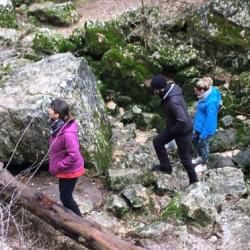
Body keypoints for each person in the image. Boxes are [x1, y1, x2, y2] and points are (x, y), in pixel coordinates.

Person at [150, 75, 198, 185]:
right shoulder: (170, 92)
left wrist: (172, 132)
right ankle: (166, 167)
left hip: (183, 131)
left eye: (155, 90)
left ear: (161, 89)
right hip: (174, 127)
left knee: (185, 159)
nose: (155, 93)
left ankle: (194, 182)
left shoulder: (173, 101)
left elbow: (183, 121)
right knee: (157, 142)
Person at [48, 98, 84, 216]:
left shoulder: (67, 133)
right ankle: (74, 220)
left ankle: (81, 224)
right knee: (64, 195)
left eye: (51, 109)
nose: (48, 110)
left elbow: (74, 155)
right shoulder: (57, 126)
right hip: (65, 170)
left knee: (66, 198)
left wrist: (59, 165)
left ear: (57, 114)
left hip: (70, 170)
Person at [192, 77, 222, 171]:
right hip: (199, 125)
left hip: (205, 129)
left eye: (196, 91)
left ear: (201, 90)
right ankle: (199, 157)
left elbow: (210, 120)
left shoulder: (210, 102)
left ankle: (204, 163)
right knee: (195, 141)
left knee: (203, 144)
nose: (195, 92)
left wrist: (204, 134)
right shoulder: (204, 96)